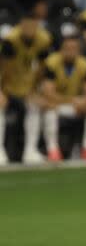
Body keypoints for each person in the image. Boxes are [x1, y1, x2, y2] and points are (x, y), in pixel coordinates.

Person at [39, 34, 86, 161]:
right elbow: (48, 94)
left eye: (74, 48)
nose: (71, 52)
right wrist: (73, 101)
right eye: (67, 48)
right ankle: (52, 150)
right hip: (58, 104)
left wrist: (84, 102)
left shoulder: (84, 63)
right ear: (61, 50)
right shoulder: (51, 63)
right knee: (49, 109)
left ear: (79, 50)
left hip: (75, 105)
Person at [0, 13, 52, 164]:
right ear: (21, 24)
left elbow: (42, 69)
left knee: (35, 105)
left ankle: (30, 151)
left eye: (33, 24)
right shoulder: (11, 40)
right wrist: (1, 91)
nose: (30, 28)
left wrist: (36, 90)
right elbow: (3, 68)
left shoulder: (43, 39)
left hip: (27, 87)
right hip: (7, 86)